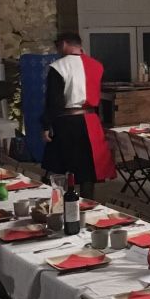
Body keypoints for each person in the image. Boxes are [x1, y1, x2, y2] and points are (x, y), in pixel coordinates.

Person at [42, 32, 116, 197]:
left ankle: (60, 203)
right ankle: (88, 204)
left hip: (66, 121)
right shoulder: (97, 65)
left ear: (63, 44)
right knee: (87, 169)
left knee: (60, 166)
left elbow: (54, 101)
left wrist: (46, 125)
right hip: (91, 120)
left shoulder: (58, 66)